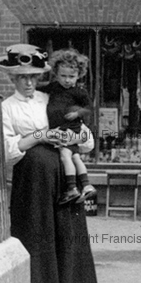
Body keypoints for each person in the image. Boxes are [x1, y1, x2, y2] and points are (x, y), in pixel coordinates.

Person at [0, 44, 98, 283]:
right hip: (31, 180)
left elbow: (86, 140)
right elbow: (8, 150)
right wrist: (41, 136)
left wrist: (70, 137)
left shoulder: (50, 98)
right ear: (13, 78)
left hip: (63, 176)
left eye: (33, 76)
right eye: (22, 77)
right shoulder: (6, 108)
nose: (29, 82)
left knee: (65, 231)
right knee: (36, 231)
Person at [37, 48, 97, 204]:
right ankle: (87, 185)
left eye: (72, 77)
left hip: (69, 129)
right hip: (61, 128)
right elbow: (39, 88)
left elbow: (89, 108)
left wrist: (77, 114)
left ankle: (71, 188)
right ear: (56, 75)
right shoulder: (54, 87)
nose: (67, 80)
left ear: (79, 75)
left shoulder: (79, 92)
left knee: (65, 156)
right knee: (76, 157)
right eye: (63, 76)